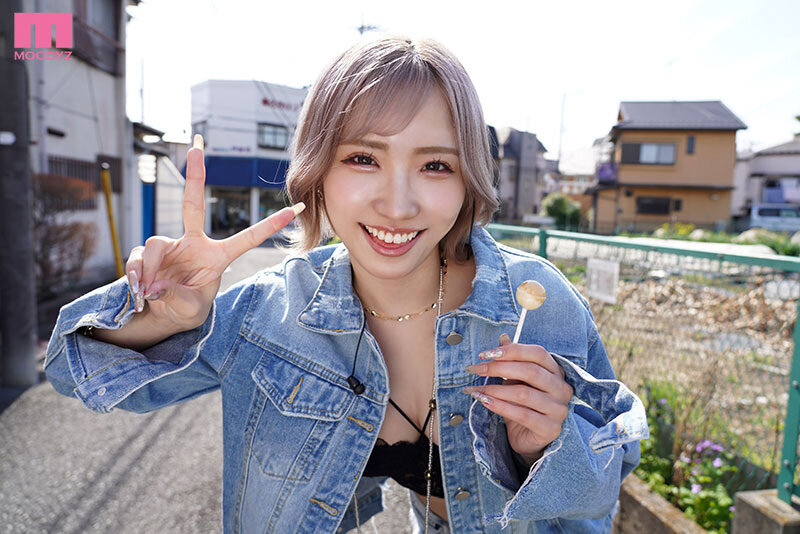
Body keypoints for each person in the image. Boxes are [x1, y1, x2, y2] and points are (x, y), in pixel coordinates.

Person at [44, 36, 647, 534]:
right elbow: (75, 371)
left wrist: (548, 449)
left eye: (436, 165)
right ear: (318, 170)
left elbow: (606, 481)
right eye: (363, 158)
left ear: (468, 181)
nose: (398, 203)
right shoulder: (270, 315)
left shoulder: (532, 304)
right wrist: (162, 318)